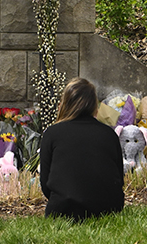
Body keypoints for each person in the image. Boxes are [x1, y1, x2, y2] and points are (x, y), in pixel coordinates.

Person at [39, 77, 125, 220]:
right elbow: (118, 178)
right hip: (109, 208)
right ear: (94, 106)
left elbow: (46, 184)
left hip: (63, 209)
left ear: (64, 105)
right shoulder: (109, 134)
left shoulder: (52, 134)